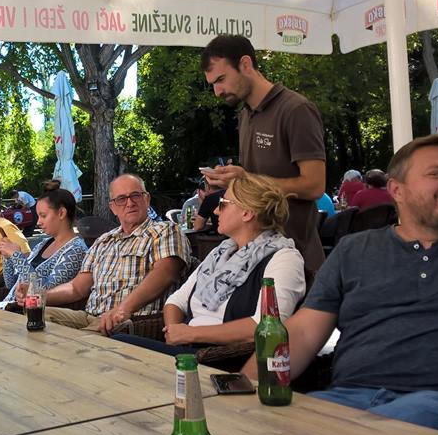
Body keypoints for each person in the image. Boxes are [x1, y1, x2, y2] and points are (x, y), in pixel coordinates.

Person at [243, 134, 438, 431]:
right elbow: (303, 333)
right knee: (270, 433)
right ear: (396, 190)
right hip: (344, 398)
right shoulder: (354, 250)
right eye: (436, 174)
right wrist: (243, 392)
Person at [113, 173, 305, 355]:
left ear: (247, 213)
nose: (215, 210)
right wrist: (175, 332)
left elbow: (267, 327)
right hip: (189, 351)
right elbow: (176, 302)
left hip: (224, 359)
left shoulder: (284, 258)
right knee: (114, 345)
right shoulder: (222, 252)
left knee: (118, 345)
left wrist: (191, 334)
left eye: (222, 204)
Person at [201, 35, 326, 275]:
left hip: (296, 258)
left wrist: (246, 179)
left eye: (221, 79)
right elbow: (255, 186)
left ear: (245, 64)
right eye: (212, 84)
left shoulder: (296, 109)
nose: (217, 91)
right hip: (255, 258)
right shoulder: (245, 115)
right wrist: (231, 182)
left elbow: (315, 186)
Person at [34, 175, 189, 335]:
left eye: (136, 195)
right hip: (88, 316)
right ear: (113, 207)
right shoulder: (104, 240)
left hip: (129, 320)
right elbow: (76, 288)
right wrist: (38, 296)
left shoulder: (165, 231)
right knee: (36, 316)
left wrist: (123, 309)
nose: (130, 203)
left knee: (72, 341)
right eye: (121, 199)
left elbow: (165, 273)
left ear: (147, 199)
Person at [0, 188, 88, 302]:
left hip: (24, 311)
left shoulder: (76, 251)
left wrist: (16, 255)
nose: (38, 222)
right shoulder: (43, 244)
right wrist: (7, 257)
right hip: (6, 306)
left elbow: (42, 292)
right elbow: (11, 285)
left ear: (61, 213)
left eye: (43, 216)